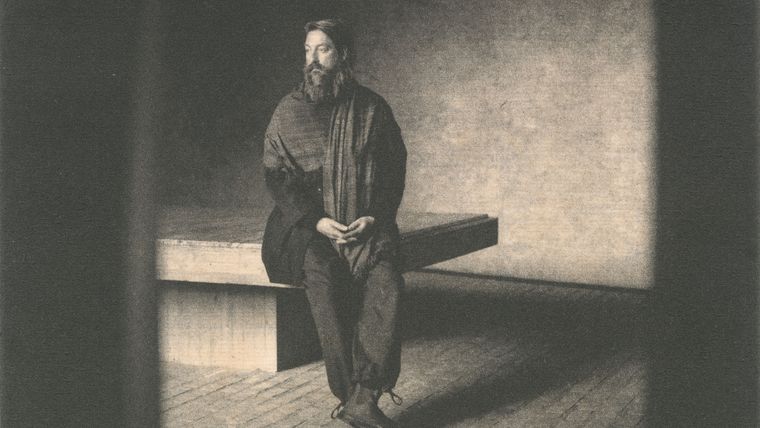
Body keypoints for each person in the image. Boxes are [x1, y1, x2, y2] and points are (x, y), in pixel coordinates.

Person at [261, 19, 407, 428]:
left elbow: (393, 170)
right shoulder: (288, 111)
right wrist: (319, 220)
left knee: (387, 282)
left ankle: (364, 396)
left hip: (365, 224)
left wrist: (373, 216)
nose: (313, 60)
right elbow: (277, 178)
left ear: (342, 55)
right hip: (306, 227)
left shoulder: (372, 108)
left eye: (322, 49)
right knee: (325, 285)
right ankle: (350, 395)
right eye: (307, 50)